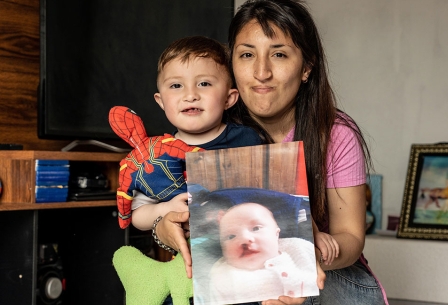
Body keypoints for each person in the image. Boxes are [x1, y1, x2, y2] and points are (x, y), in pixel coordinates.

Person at [143, 0, 389, 304]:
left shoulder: (335, 133)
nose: (261, 72)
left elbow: (350, 237)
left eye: (279, 54)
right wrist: (163, 228)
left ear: (306, 68)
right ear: (231, 63)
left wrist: (303, 257)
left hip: (325, 270)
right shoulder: (206, 128)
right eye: (247, 54)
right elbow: (168, 215)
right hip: (238, 270)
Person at [128, 36, 262, 232]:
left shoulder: (247, 140)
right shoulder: (156, 154)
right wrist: (167, 208)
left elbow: (273, 194)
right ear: (161, 101)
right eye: (176, 86)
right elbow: (138, 216)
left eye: (204, 84)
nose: (190, 95)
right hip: (188, 254)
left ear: (229, 98)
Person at [210, 202, 318, 304]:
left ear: (276, 235)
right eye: (231, 236)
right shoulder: (223, 277)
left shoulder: (297, 249)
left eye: (256, 228)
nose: (244, 239)